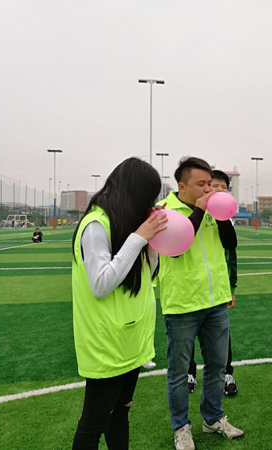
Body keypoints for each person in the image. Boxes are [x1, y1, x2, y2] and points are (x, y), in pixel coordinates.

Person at [71, 157, 167, 449]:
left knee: (120, 415)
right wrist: (138, 238)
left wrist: (151, 245)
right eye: (148, 197)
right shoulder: (96, 225)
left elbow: (148, 275)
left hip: (130, 339)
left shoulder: (125, 224)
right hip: (107, 344)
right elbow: (100, 284)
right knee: (93, 425)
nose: (150, 204)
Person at [158, 157, 243, 450]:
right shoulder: (165, 211)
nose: (209, 189)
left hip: (215, 300)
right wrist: (199, 211)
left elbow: (230, 244)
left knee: (217, 365)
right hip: (182, 304)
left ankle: (213, 418)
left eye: (210, 184)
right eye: (201, 184)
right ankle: (181, 428)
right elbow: (175, 248)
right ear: (182, 186)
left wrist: (221, 217)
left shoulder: (213, 211)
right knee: (180, 372)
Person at [188, 169, 239, 396]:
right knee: (188, 333)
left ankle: (227, 373)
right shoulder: (192, 213)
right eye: (214, 186)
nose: (218, 191)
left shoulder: (225, 217)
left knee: (221, 334)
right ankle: (189, 372)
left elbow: (231, 254)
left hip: (218, 289)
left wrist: (231, 287)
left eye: (223, 187)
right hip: (190, 287)